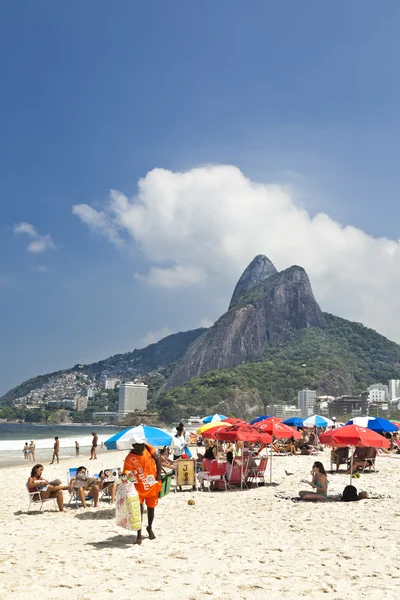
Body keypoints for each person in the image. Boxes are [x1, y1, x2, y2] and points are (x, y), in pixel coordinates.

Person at [123, 432, 162, 545]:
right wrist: (130, 477)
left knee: (151, 508)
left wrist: (158, 477)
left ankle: (149, 527)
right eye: (139, 445)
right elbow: (126, 474)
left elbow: (158, 460)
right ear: (134, 445)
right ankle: (139, 535)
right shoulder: (129, 458)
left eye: (142, 444)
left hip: (152, 484)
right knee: (138, 511)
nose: (141, 446)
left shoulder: (148, 448)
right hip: (138, 487)